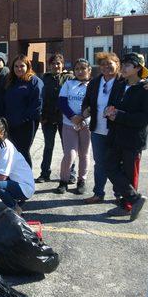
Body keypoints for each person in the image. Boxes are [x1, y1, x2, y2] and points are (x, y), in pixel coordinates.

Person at [81, 51, 148, 204]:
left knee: (124, 168)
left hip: (121, 133)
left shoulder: (125, 82)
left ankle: (123, 198)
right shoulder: (99, 83)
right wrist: (87, 109)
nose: (106, 67)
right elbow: (89, 100)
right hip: (101, 130)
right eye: (102, 65)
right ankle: (105, 194)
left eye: (110, 64)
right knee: (104, 163)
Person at [103, 53, 148, 220]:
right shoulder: (120, 85)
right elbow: (112, 104)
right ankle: (134, 199)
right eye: (123, 64)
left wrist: (121, 116)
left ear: (138, 68)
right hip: (116, 136)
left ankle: (126, 206)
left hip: (133, 140)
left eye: (128, 65)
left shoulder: (145, 88)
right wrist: (109, 111)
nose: (123, 67)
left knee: (129, 174)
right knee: (109, 166)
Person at [36, 54, 76, 183]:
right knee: (48, 146)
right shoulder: (44, 79)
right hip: (48, 118)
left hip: (64, 119)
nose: (56, 66)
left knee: (67, 147)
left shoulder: (69, 78)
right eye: (53, 63)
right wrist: (41, 116)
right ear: (49, 65)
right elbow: (40, 99)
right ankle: (44, 173)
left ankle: (71, 173)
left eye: (58, 63)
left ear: (62, 65)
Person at [55, 58, 92, 195]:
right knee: (69, 154)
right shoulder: (68, 84)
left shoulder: (93, 85)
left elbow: (95, 104)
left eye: (83, 68)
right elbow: (62, 103)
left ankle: (81, 181)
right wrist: (73, 117)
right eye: (77, 69)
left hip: (86, 125)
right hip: (69, 124)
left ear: (89, 70)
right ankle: (63, 181)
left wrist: (83, 117)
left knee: (84, 154)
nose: (80, 71)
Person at [0, 118, 35, 215]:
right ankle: (17, 202)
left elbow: (1, 176)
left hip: (24, 187)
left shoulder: (5, 146)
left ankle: (15, 208)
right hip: (13, 182)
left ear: (1, 134)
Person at [2, 54, 43, 168]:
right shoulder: (11, 81)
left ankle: (27, 181)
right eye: (16, 66)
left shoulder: (34, 81)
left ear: (28, 66)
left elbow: (37, 104)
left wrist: (25, 119)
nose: (19, 69)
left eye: (22, 66)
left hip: (27, 124)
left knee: (23, 151)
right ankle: (15, 179)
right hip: (10, 123)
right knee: (12, 151)